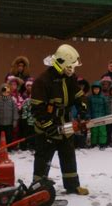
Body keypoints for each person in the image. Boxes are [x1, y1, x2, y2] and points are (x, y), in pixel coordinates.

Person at [31, 44, 89, 195]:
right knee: (43, 159)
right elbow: (37, 109)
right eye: (70, 66)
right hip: (46, 127)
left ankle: (72, 186)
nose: (72, 70)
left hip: (65, 124)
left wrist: (82, 106)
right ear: (61, 63)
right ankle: (38, 187)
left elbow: (78, 94)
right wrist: (48, 125)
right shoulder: (42, 81)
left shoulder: (70, 78)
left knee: (68, 155)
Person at [0, 83, 18, 148]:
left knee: (9, 136)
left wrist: (15, 120)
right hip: (0, 123)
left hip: (9, 123)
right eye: (4, 91)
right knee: (0, 136)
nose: (5, 93)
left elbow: (15, 111)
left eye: (7, 92)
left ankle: (9, 148)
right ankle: (0, 147)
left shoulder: (12, 101)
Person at [88, 81, 109, 149]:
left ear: (100, 89)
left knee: (102, 131)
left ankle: (102, 143)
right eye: (95, 89)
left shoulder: (103, 97)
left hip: (102, 117)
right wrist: (88, 115)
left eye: (97, 89)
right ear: (92, 90)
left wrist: (107, 115)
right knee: (94, 131)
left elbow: (106, 107)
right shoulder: (90, 98)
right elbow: (89, 107)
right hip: (93, 117)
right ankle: (93, 143)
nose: (96, 90)